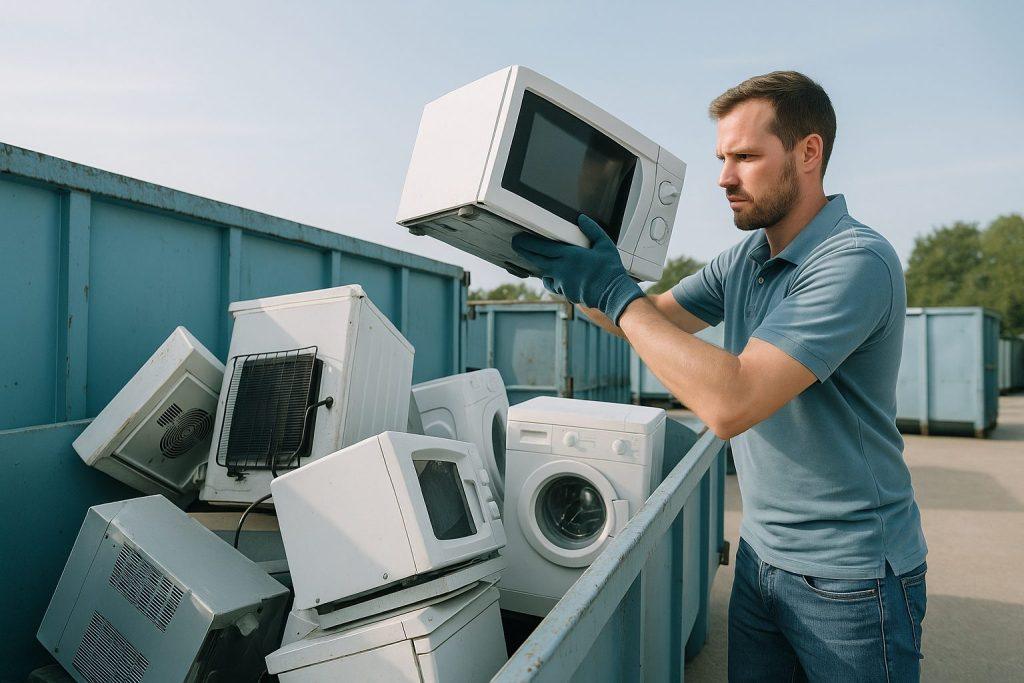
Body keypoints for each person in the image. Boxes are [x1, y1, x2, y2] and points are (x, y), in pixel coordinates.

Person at [511, 71, 928, 682]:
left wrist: (615, 293)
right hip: (763, 559)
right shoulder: (747, 258)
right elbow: (651, 321)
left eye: (746, 157)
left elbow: (732, 402)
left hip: (851, 579)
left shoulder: (854, 261)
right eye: (722, 158)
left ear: (808, 153)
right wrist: (572, 274)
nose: (725, 177)